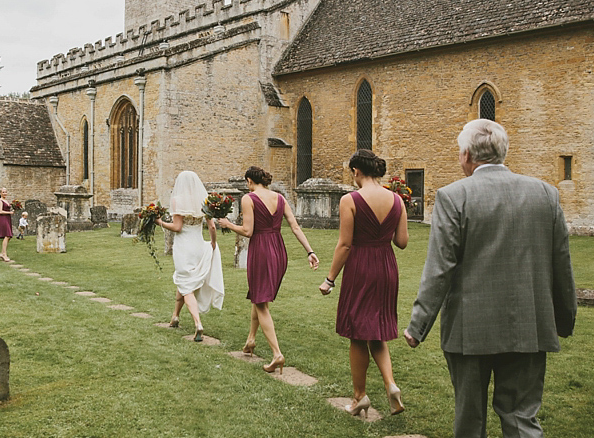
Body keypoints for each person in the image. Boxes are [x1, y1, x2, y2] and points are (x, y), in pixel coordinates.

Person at [403, 119, 576, 438]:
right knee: (521, 417)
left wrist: (418, 325)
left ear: (466, 156)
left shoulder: (453, 196)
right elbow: (561, 263)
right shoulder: (546, 194)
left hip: (470, 330)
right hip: (529, 326)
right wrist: (564, 317)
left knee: (471, 418)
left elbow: (440, 268)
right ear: (503, 152)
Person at [319, 149, 409, 417]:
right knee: (377, 331)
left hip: (361, 267)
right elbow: (402, 242)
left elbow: (345, 244)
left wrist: (329, 279)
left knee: (357, 333)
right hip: (386, 268)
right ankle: (391, 385)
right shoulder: (397, 200)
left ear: (357, 171)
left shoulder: (350, 200)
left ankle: (359, 397)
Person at [218, 166, 318, 374]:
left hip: (262, 250)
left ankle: (277, 354)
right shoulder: (279, 198)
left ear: (249, 181)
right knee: (259, 297)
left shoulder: (249, 198)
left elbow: (248, 231)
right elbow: (295, 226)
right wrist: (310, 251)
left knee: (261, 302)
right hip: (279, 251)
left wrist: (227, 224)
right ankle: (251, 340)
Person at [155, 171, 224, 342]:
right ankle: (175, 317)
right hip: (199, 245)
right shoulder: (203, 200)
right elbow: (212, 227)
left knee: (186, 286)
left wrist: (160, 222)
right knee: (184, 280)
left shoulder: (177, 200)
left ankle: (198, 324)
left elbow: (177, 227)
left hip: (184, 247)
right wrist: (213, 243)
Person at [0, 187, 13, 261]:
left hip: (8, 218)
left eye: (5, 192)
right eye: (3, 192)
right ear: (0, 193)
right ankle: (4, 254)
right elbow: (0, 211)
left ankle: (2, 252)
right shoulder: (0, 201)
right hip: (3, 218)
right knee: (7, 235)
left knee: (9, 236)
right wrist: (10, 212)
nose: (4, 193)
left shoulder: (6, 200)